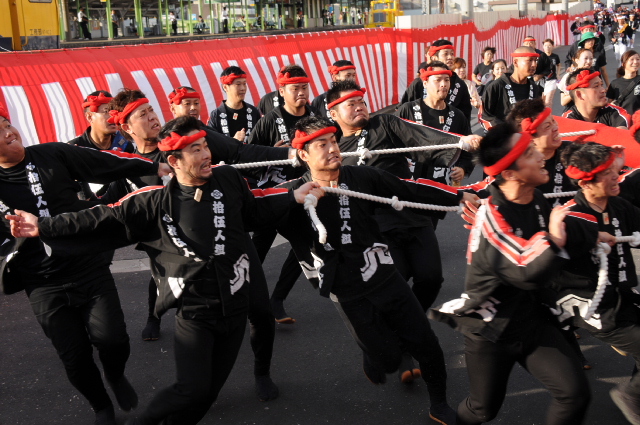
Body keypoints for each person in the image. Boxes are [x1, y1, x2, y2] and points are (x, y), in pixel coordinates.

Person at [8, 116, 321, 425]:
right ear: (174, 160)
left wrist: (292, 195)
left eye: (206, 146)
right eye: (196, 149)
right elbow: (99, 217)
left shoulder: (227, 177)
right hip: (196, 311)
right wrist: (43, 226)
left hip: (236, 304)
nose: (207, 154)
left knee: (207, 393)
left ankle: (259, 374)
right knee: (190, 390)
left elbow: (254, 208)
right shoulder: (154, 200)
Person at [276, 115, 470, 425]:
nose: (332, 149)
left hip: (383, 274)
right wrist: (290, 199)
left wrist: (459, 196)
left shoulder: (361, 177)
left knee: (427, 343)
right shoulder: (294, 194)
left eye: (334, 142)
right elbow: (249, 211)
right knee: (388, 361)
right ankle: (375, 352)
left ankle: (439, 404)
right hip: (347, 290)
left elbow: (409, 189)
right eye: (321, 145)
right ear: (303, 154)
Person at [0, 103, 170, 425]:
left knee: (114, 341)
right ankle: (101, 405)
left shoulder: (52, 154)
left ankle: (115, 374)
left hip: (86, 266)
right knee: (75, 358)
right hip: (42, 283)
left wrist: (152, 165)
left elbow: (104, 161)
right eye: (0, 131)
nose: (10, 132)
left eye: (8, 124)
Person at [430, 123, 591, 425]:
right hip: (492, 331)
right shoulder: (490, 217)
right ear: (510, 173)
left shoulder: (537, 200)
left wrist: (597, 233)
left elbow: (563, 228)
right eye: (530, 153)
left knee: (575, 393)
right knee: (482, 410)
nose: (541, 156)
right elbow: (525, 269)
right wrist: (554, 238)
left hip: (531, 321)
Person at [554, 141, 640, 425]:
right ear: (586, 183)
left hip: (623, 294)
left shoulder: (618, 206)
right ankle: (631, 395)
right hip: (594, 304)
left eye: (614, 170)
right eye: (607, 173)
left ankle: (635, 394)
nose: (616, 176)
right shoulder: (570, 217)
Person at [248, 64, 317, 323]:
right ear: (282, 91)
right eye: (295, 88)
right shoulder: (269, 120)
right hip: (273, 195)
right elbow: (248, 157)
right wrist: (273, 153)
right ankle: (246, 300)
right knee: (257, 251)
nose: (301, 93)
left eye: (304, 87)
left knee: (303, 244)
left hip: (304, 193)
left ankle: (277, 300)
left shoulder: (315, 118)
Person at [396, 62, 474, 191]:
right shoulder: (408, 110)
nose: (443, 84)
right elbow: (390, 141)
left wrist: (463, 168)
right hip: (409, 183)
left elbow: (468, 149)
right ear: (425, 83)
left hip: (442, 184)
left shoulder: (457, 116)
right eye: (438, 80)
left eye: (447, 80)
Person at [67, 90, 134, 200]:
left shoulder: (125, 144)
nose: (113, 117)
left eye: (114, 111)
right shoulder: (74, 150)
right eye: (106, 112)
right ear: (89, 117)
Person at [400, 39, 473, 121]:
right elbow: (403, 111)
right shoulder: (419, 82)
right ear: (434, 58)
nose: (450, 57)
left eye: (452, 54)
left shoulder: (459, 85)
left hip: (449, 127)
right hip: (421, 126)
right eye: (445, 54)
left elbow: (466, 113)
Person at [479, 46, 543, 130]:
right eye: (530, 60)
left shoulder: (534, 88)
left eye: (535, 60)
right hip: (503, 136)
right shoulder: (497, 86)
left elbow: (537, 115)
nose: (534, 64)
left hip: (527, 136)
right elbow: (483, 117)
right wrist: (506, 131)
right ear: (515, 62)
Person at [562, 68, 630, 129]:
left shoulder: (614, 112)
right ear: (579, 95)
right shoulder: (567, 120)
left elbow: (622, 132)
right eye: (596, 86)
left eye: (602, 85)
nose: (603, 90)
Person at [208, 66, 261, 143]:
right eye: (238, 84)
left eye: (244, 84)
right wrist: (233, 141)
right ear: (225, 87)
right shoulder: (216, 115)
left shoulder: (254, 112)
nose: (243, 88)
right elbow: (212, 144)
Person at [606, 50, 640, 116]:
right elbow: (610, 105)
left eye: (638, 59)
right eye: (632, 59)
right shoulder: (615, 84)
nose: (635, 62)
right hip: (623, 120)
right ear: (623, 64)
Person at [541, 39, 561, 108]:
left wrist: (558, 74)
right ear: (543, 47)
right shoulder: (540, 57)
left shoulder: (555, 56)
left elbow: (559, 65)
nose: (547, 47)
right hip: (542, 81)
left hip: (552, 80)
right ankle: (543, 114)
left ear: (552, 46)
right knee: (542, 100)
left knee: (548, 101)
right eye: (545, 45)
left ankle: (549, 114)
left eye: (549, 45)